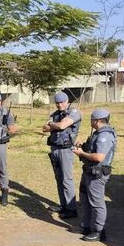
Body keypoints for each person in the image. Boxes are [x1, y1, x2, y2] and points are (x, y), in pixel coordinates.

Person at [72, 109, 117, 242]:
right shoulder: (98, 133)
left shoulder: (105, 136)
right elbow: (93, 149)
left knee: (97, 202)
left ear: (97, 121)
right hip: (88, 171)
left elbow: (99, 157)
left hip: (97, 173)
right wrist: (83, 146)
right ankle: (85, 226)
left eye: (92, 120)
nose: (90, 122)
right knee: (84, 199)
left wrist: (81, 154)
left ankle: (98, 231)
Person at [42, 91, 81, 219]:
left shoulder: (74, 112)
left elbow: (63, 125)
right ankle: (63, 205)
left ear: (67, 101)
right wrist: (55, 125)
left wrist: (53, 125)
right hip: (55, 148)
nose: (59, 105)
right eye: (57, 103)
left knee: (67, 179)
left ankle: (71, 209)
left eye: (61, 102)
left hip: (66, 149)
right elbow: (44, 128)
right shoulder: (55, 114)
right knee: (59, 179)